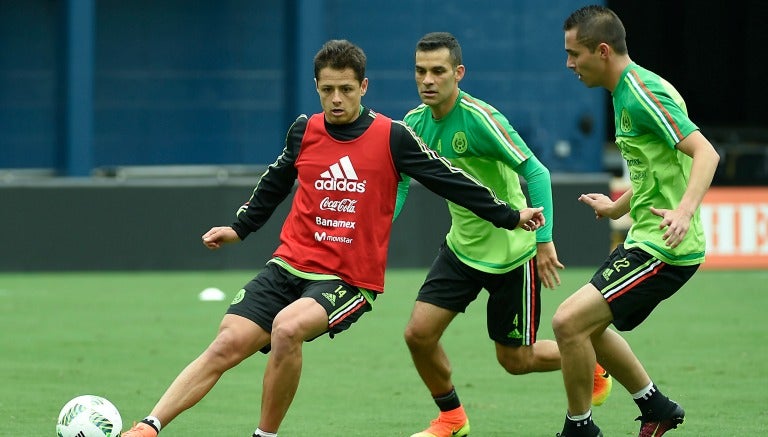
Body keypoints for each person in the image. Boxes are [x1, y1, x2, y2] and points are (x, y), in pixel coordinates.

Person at [122, 39, 545, 437]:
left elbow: (451, 180)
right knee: (226, 343)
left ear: (364, 87)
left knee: (287, 329)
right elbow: (276, 181)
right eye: (328, 90)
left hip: (348, 280)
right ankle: (149, 426)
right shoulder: (305, 130)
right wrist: (241, 227)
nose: (337, 99)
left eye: (346, 89)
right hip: (288, 265)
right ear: (317, 88)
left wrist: (510, 215)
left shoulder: (392, 136)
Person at [399, 32, 612, 437]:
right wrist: (378, 227)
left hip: (513, 255)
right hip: (461, 250)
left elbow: (536, 171)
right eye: (420, 71)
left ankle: (590, 361)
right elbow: (402, 182)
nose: (428, 80)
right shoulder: (413, 125)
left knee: (516, 361)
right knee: (418, 335)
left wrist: (544, 240)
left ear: (458, 74)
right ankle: (452, 419)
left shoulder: (481, 119)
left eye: (438, 71)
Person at [553, 6, 720, 437]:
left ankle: (580, 429)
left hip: (666, 246)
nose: (569, 64)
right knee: (588, 327)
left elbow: (706, 153)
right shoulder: (625, 91)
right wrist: (616, 208)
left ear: (602, 50)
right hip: (645, 237)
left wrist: (684, 212)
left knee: (568, 323)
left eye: (575, 54)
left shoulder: (643, 91)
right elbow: (656, 169)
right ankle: (656, 406)